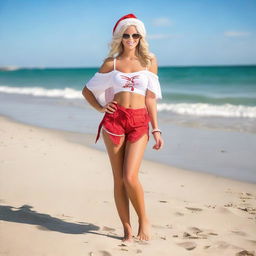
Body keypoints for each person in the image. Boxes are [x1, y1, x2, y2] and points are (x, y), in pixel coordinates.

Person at [82, 13, 164, 242]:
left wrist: (156, 130)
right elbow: (87, 90)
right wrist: (101, 108)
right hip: (114, 120)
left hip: (139, 121)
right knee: (118, 178)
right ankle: (127, 230)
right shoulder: (112, 63)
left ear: (141, 37)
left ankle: (144, 220)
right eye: (127, 35)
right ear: (120, 37)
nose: (131, 39)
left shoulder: (149, 61)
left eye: (135, 35)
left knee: (130, 176)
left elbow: (150, 99)